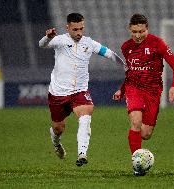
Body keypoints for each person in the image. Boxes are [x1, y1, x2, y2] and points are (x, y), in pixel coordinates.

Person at [39, 13, 124, 166]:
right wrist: (47, 37)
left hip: (79, 91)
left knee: (86, 115)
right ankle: (56, 143)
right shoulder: (59, 40)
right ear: (68, 27)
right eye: (75, 29)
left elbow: (109, 53)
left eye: (81, 29)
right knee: (58, 128)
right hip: (58, 93)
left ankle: (82, 153)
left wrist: (126, 66)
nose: (79, 33)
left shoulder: (89, 43)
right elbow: (42, 45)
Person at [112, 14, 174, 176]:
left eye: (141, 31)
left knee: (145, 134)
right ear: (130, 29)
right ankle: (137, 165)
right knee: (135, 123)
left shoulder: (158, 43)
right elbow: (130, 72)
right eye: (134, 32)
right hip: (134, 88)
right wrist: (122, 90)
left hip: (153, 91)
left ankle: (139, 159)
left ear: (147, 29)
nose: (137, 36)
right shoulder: (126, 47)